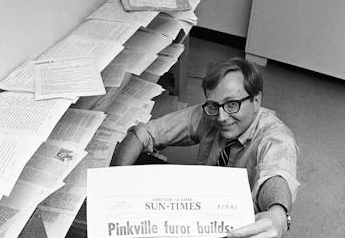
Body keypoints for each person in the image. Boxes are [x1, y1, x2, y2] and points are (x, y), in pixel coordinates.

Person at [111, 58, 300, 238]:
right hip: (200, 204)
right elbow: (144, 134)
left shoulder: (277, 138)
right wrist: (115, 185)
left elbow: (276, 177)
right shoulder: (211, 113)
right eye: (213, 106)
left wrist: (277, 215)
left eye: (232, 104)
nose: (222, 118)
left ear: (256, 100)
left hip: (241, 226)